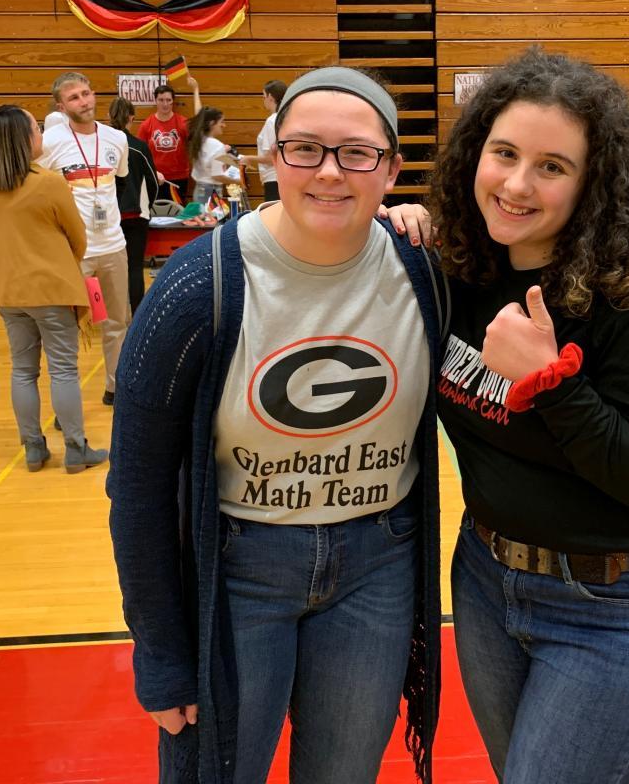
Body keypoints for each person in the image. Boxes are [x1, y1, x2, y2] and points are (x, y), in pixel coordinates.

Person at [107, 67, 446, 784]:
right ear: (271, 157)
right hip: (238, 573)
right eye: (305, 149)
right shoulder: (197, 286)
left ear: (392, 170)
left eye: (357, 153)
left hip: (379, 568)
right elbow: (138, 487)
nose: (330, 171)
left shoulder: (427, 272)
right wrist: (161, 653)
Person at [391, 47, 629, 783]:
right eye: (504, 153)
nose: (516, 184)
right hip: (486, 582)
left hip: (615, 602)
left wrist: (552, 384)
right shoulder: (459, 269)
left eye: (552, 166)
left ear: (592, 184)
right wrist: (396, 221)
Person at [0, 104, 107, 473]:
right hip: (51, 289)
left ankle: (33, 448)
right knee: (63, 370)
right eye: (35, 128)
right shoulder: (48, 182)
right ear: (22, 139)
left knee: (22, 370)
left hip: (8, 291)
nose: (41, 134)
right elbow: (77, 237)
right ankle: (76, 449)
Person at [38, 71, 131, 405]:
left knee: (117, 322)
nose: (84, 101)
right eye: (74, 97)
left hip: (113, 247)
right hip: (72, 252)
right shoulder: (49, 143)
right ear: (61, 107)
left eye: (86, 93)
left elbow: (120, 179)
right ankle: (67, 402)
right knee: (67, 329)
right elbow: (36, 190)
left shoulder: (116, 139)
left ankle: (115, 388)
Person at [109, 96, 162, 314]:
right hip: (136, 216)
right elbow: (153, 182)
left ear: (110, 116)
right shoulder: (139, 147)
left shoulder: (104, 146)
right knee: (134, 267)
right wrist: (148, 206)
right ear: (131, 118)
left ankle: (113, 314)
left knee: (110, 270)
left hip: (110, 217)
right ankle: (137, 315)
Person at [138, 79, 201, 201]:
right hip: (155, 178)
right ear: (155, 101)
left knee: (177, 212)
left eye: (168, 100)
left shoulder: (183, 123)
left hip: (179, 179)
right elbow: (140, 156)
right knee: (155, 212)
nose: (165, 104)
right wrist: (153, 172)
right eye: (161, 100)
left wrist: (195, 90)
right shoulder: (146, 125)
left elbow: (199, 128)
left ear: (173, 102)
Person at [240, 79, 288, 203]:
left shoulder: (272, 121)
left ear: (270, 97)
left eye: (264, 97)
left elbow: (271, 158)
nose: (263, 100)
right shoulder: (285, 118)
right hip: (283, 178)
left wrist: (248, 158)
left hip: (273, 179)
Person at [187, 106, 237, 204]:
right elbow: (217, 176)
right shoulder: (217, 146)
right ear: (212, 123)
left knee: (201, 214)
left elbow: (200, 115)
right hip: (211, 192)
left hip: (199, 189)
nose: (224, 125)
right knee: (211, 215)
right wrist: (239, 181)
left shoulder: (199, 140)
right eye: (221, 122)